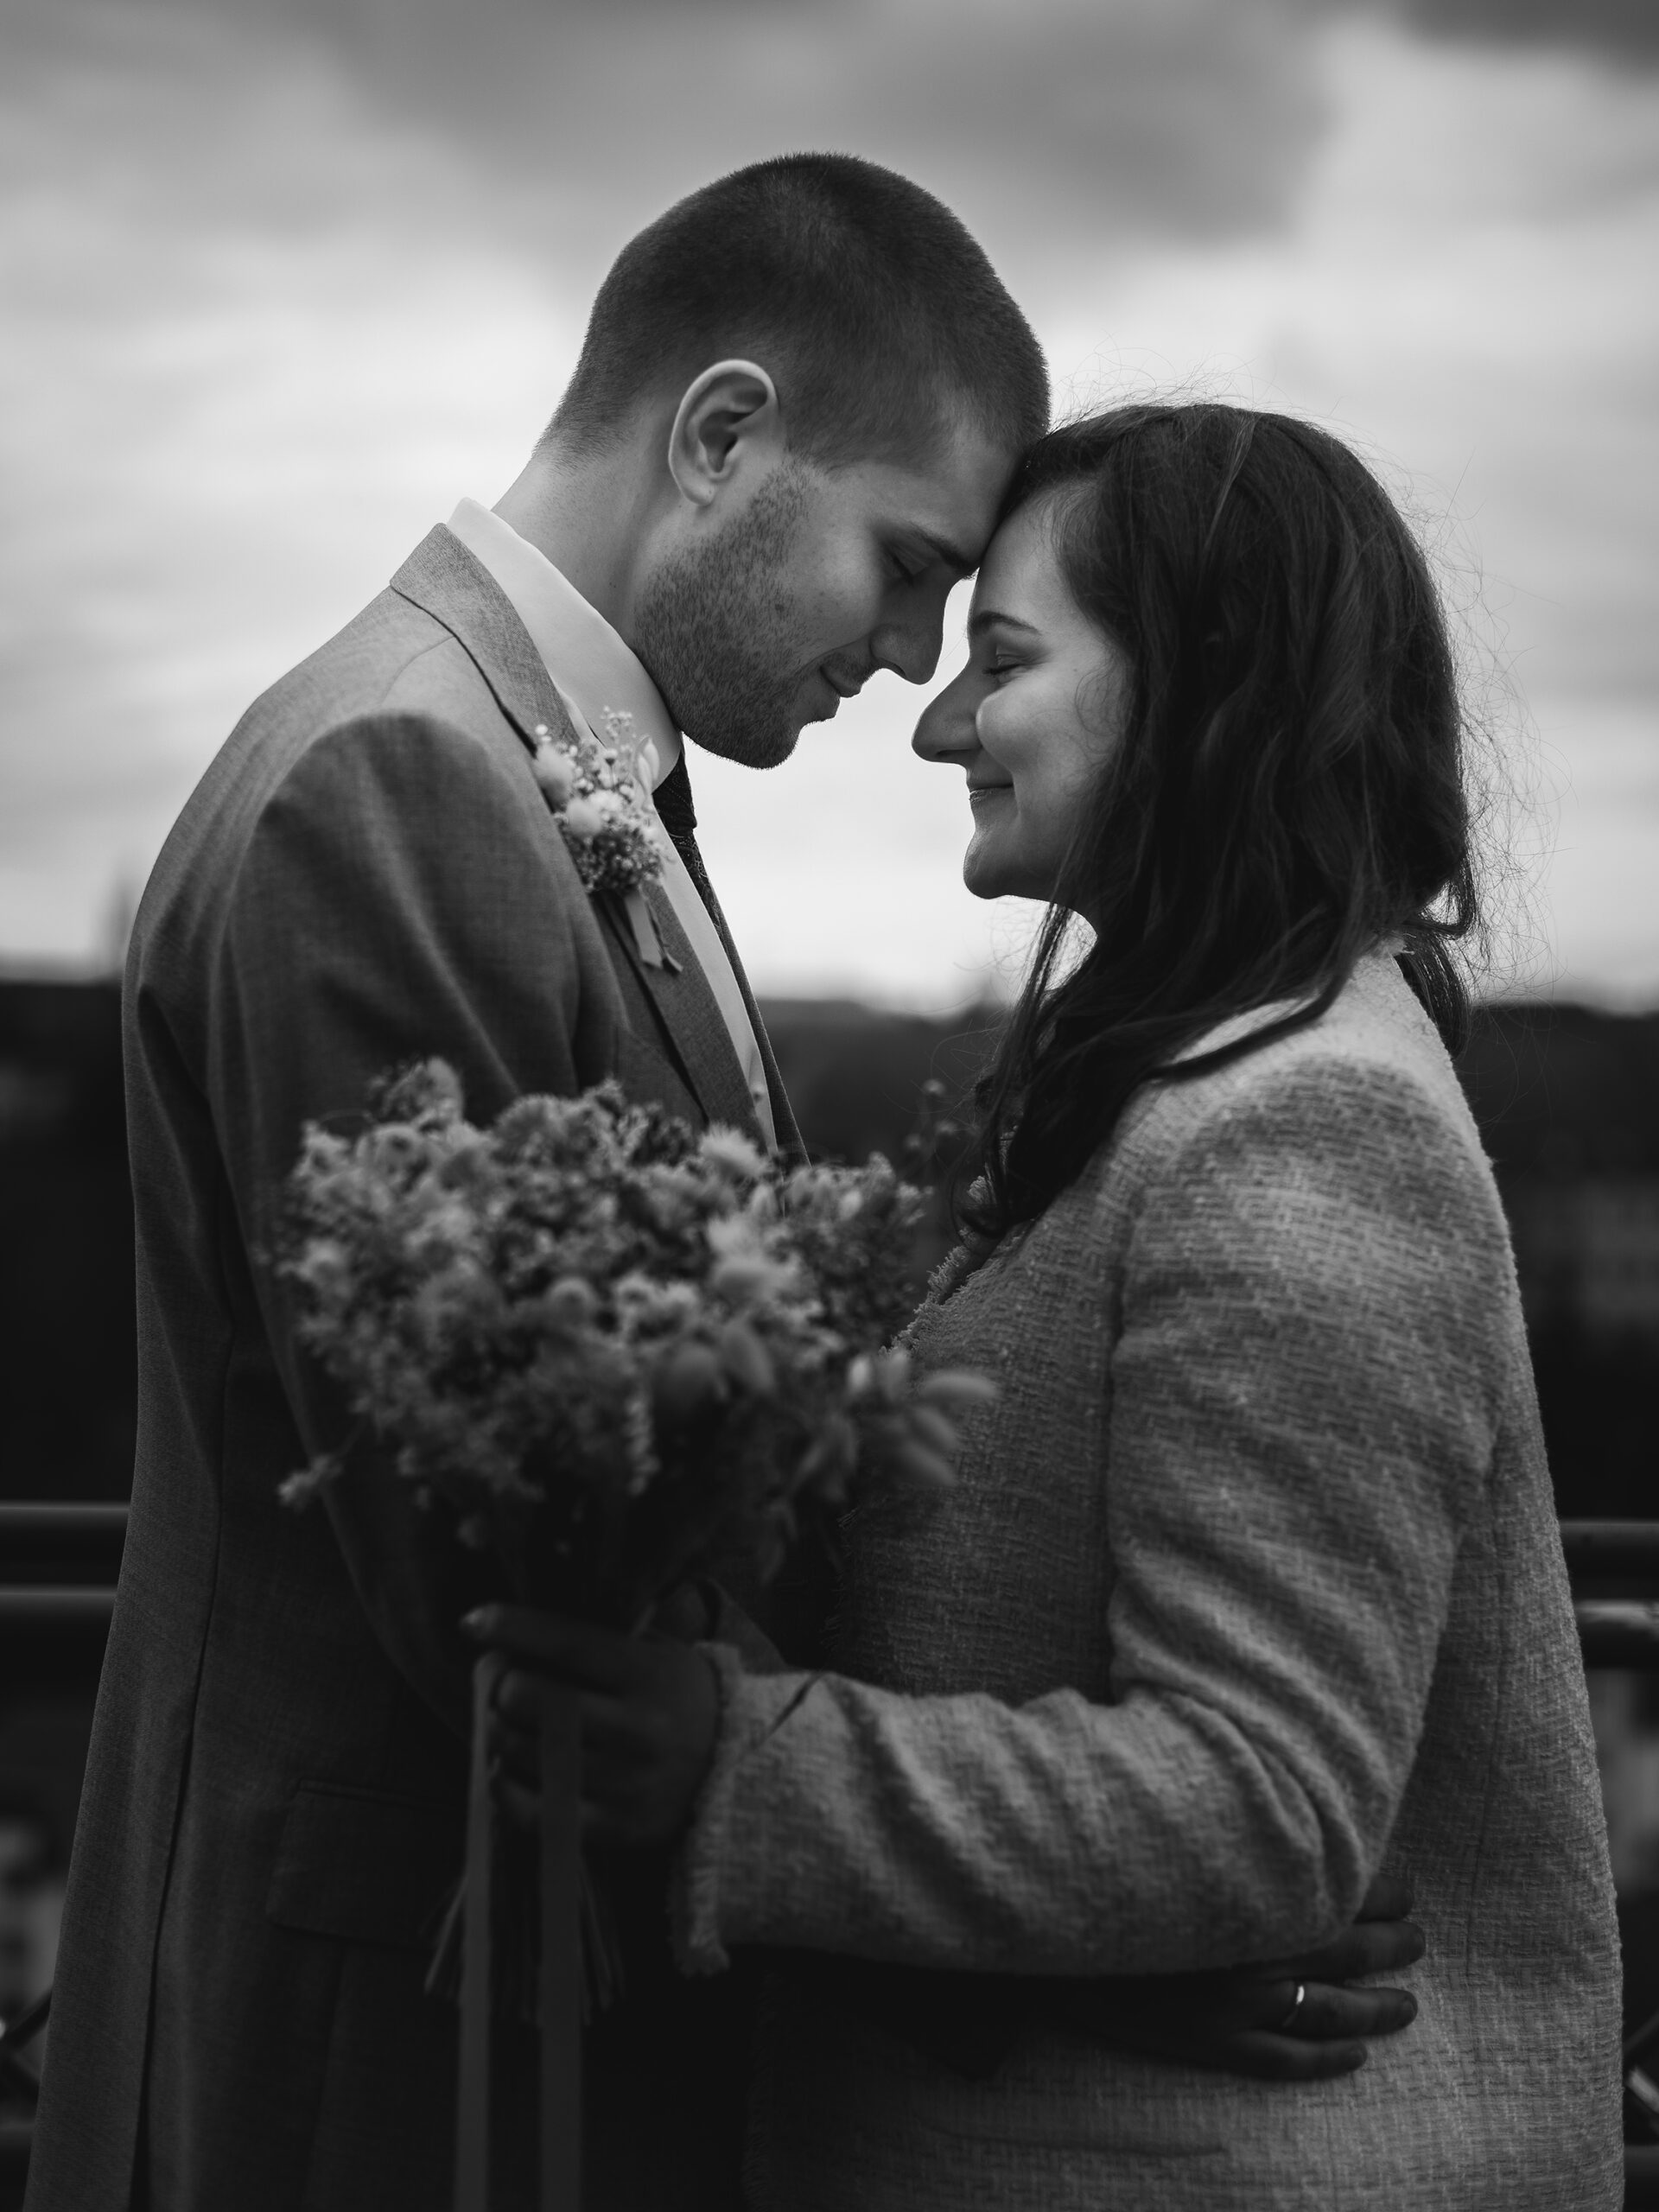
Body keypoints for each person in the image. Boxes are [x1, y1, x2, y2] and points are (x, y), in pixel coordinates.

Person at [22, 170, 1419, 2212]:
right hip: (390, 2056)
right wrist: (1088, 1951)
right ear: (721, 434)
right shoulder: (399, 782)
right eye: (908, 562)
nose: (917, 659)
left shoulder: (548, 772)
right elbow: (506, 1589)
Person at [479, 403, 1624, 2209]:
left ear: (1202, 687)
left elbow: (1263, 1801)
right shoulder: (1190, 1084)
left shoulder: (1303, 1124)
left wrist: (725, 1760)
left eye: (1000, 659)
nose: (936, 718)